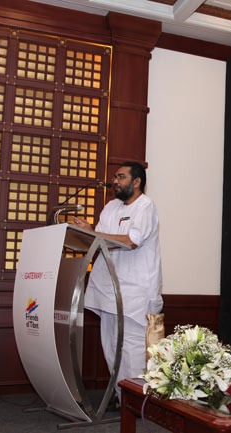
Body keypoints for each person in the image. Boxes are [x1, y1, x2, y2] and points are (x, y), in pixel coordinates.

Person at [72, 162, 163, 403]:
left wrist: (93, 232)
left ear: (136, 182)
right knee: (111, 347)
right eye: (115, 176)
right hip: (108, 289)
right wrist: (86, 234)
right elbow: (98, 239)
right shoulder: (111, 207)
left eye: (121, 177)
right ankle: (122, 396)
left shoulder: (146, 206)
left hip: (135, 292)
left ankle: (138, 402)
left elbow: (132, 241)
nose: (115, 181)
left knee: (132, 351)